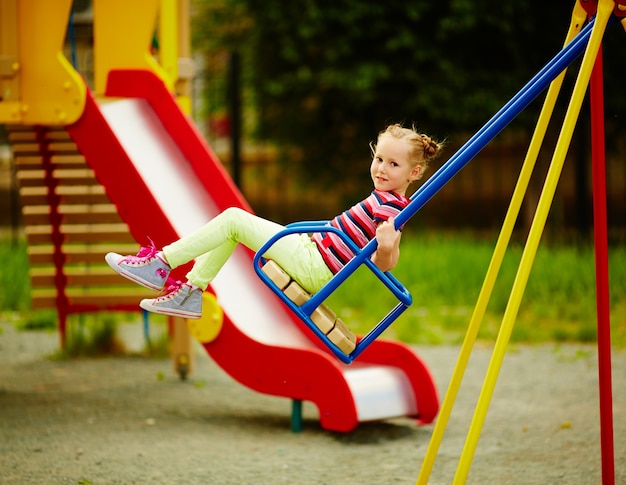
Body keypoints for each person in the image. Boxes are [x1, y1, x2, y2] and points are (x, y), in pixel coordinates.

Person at [105, 123, 443, 319]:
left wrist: (386, 247)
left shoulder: (393, 209)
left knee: (234, 219)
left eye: (393, 165)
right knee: (233, 228)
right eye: (379, 159)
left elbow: (386, 261)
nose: (381, 168)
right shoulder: (387, 199)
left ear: (413, 172)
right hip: (311, 248)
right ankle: (191, 291)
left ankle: (161, 265)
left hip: (315, 264)